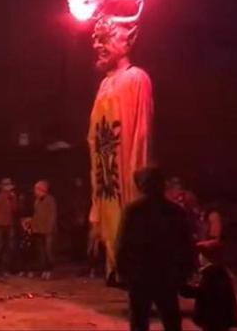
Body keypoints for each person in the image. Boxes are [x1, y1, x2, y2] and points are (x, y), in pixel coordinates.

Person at [87, 16, 154, 285]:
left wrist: (138, 188)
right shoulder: (104, 85)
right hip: (107, 179)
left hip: (125, 178)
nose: (98, 45)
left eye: (107, 38)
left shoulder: (136, 78)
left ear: (128, 40)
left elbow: (141, 137)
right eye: (97, 40)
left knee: (130, 236)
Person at [116, 167, 196, 331]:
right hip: (167, 275)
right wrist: (184, 274)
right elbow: (186, 246)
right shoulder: (175, 211)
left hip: (140, 276)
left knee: (139, 321)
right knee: (171, 320)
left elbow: (122, 245)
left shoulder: (133, 210)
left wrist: (123, 273)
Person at [179, 244, 237, 331]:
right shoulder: (220, 271)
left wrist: (183, 288)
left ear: (207, 257)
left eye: (201, 254)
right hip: (220, 317)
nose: (199, 257)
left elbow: (202, 292)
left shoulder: (211, 273)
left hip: (212, 317)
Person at [31, 180, 57, 280]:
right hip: (39, 229)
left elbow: (53, 215)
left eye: (36, 189)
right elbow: (36, 215)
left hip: (48, 230)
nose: (34, 191)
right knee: (41, 251)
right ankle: (44, 269)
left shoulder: (50, 200)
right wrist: (33, 226)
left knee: (48, 251)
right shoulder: (36, 201)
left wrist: (50, 228)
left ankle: (50, 270)